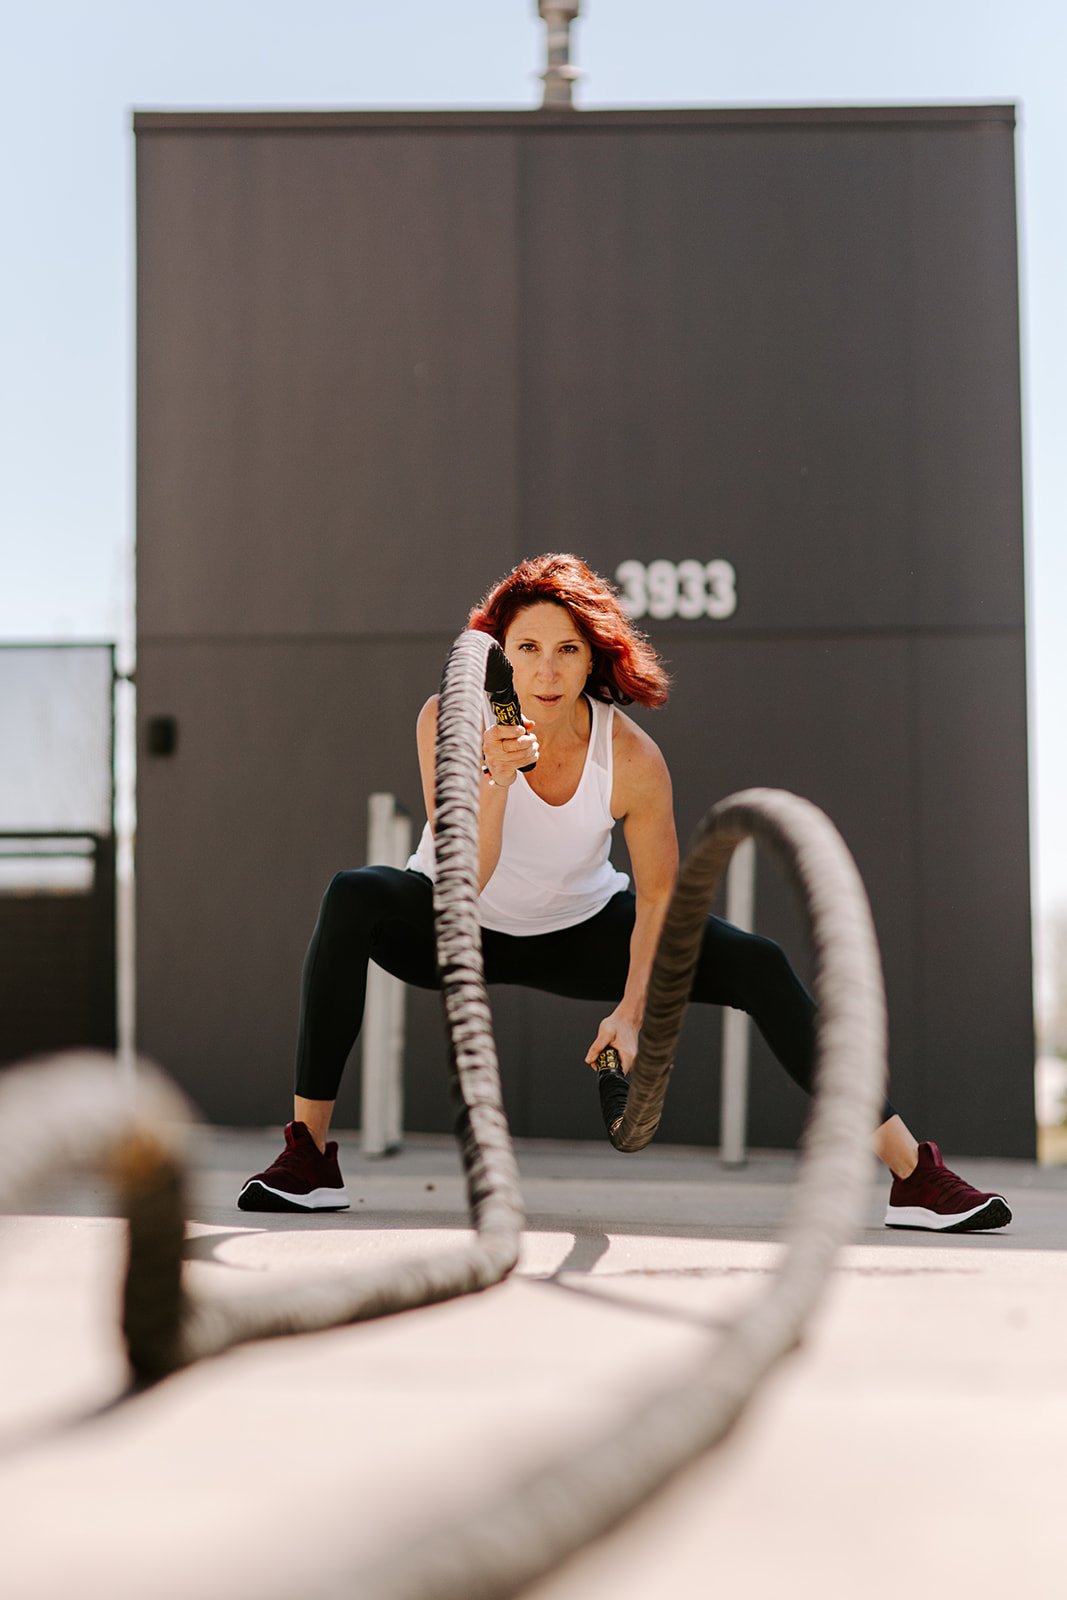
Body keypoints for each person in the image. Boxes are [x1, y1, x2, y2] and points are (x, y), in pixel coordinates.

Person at [238, 553, 1011, 1233]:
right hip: (450, 925)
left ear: (590, 660)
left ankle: (912, 1173)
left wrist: (633, 1014)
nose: (545, 671)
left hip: (581, 928)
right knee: (352, 894)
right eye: (528, 649)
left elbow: (659, 899)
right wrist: (496, 781)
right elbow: (465, 879)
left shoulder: (631, 757)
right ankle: (308, 1158)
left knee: (757, 961)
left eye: (565, 651)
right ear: (501, 653)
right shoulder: (450, 718)